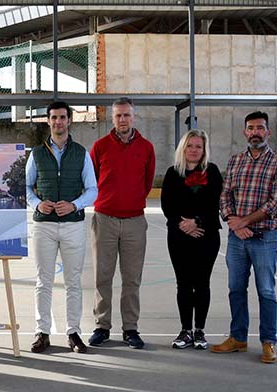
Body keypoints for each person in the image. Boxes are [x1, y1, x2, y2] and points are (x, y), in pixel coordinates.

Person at [210, 111, 277, 364]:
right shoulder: (235, 161)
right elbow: (225, 196)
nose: (255, 132)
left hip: (265, 238)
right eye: (250, 128)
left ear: (268, 132)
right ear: (245, 132)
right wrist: (233, 222)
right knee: (235, 289)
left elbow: (276, 202)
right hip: (237, 240)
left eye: (260, 128)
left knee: (266, 291)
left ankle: (268, 342)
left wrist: (243, 221)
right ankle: (238, 338)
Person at [25, 101, 98, 354]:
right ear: (48, 121)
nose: (58, 122)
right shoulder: (36, 153)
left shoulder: (81, 152)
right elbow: (24, 187)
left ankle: (73, 332)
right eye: (54, 118)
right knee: (43, 281)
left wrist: (75, 205)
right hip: (43, 226)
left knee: (73, 282)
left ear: (69, 120)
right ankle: (42, 332)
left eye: (62, 117)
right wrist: (37, 203)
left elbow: (93, 190)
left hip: (73, 226)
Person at [88, 97, 155, 349]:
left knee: (132, 279)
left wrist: (131, 202)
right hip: (104, 220)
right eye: (118, 116)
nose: (122, 120)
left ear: (133, 117)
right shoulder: (100, 146)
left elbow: (147, 182)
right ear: (112, 118)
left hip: (135, 221)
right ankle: (102, 326)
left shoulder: (146, 147)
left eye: (126, 115)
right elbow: (93, 180)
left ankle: (130, 329)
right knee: (102, 276)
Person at [160, 130, 223, 350]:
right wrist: (183, 224)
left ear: (204, 150)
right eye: (190, 146)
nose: (194, 150)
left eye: (199, 146)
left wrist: (196, 221)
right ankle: (186, 330)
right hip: (178, 236)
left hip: (206, 235)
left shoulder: (212, 171)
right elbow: (167, 205)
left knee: (202, 283)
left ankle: (200, 331)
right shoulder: (172, 173)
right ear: (183, 148)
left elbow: (214, 202)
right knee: (184, 284)